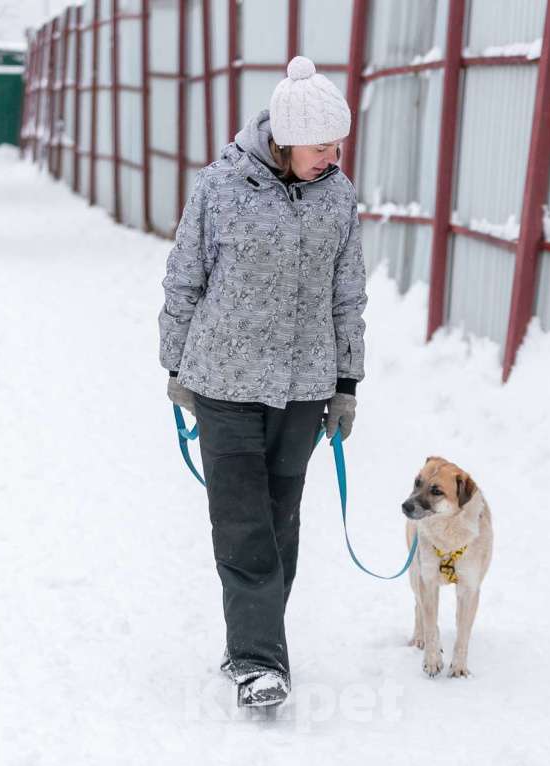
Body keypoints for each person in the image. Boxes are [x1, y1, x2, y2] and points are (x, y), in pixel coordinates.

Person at [158, 55, 367, 708]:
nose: (331, 156)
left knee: (280, 524)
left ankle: (250, 641)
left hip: (303, 386)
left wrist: (345, 383)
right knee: (244, 523)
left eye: (338, 144)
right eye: (320, 145)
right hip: (221, 381)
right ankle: (258, 663)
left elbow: (347, 295)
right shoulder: (219, 187)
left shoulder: (338, 198)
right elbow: (183, 275)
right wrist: (174, 366)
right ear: (283, 137)